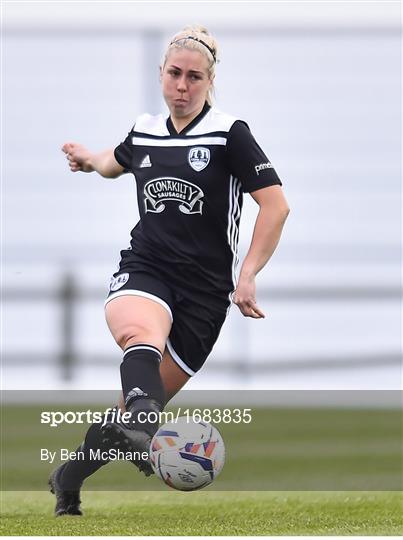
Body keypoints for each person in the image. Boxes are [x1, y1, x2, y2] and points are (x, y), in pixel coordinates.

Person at [49, 25, 290, 516]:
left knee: (132, 411)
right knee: (140, 337)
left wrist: (247, 276)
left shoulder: (229, 134)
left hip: (204, 295)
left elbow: (276, 206)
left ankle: (68, 477)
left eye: (194, 77)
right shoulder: (144, 131)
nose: (183, 85)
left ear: (210, 81)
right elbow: (114, 162)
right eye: (175, 74)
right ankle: (142, 420)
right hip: (147, 268)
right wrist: (86, 160)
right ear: (160, 75)